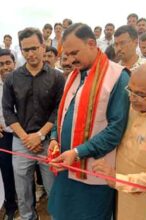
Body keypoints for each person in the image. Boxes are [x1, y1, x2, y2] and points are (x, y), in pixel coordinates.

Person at [47, 23, 130, 220]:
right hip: (65, 168)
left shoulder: (118, 76)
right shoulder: (73, 75)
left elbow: (116, 130)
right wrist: (53, 138)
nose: (70, 59)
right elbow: (63, 113)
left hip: (93, 172)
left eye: (74, 52)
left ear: (92, 43)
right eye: (66, 54)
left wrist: (78, 152)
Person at [2, 27, 65, 220]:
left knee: (53, 186)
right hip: (21, 141)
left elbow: (59, 109)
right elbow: (7, 111)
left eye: (34, 48)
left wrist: (40, 135)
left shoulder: (56, 77)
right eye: (25, 49)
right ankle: (29, 216)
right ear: (20, 50)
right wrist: (26, 138)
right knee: (22, 188)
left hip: (48, 141)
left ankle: (56, 216)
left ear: (43, 46)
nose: (30, 54)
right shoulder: (12, 78)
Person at [92, 62, 146, 220]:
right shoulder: (130, 109)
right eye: (130, 90)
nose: (132, 98)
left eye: (140, 94)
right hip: (121, 196)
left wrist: (119, 179)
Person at [0, 49, 17, 220]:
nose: (5, 67)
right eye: (0, 64)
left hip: (25, 136)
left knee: (25, 172)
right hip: (4, 136)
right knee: (6, 171)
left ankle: (29, 205)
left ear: (14, 63)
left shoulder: (23, 81)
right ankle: (11, 204)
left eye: (8, 63)